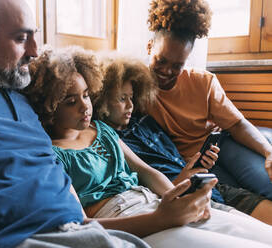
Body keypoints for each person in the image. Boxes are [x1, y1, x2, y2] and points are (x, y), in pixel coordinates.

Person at [0, 0, 151, 247]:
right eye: (21, 39)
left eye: (35, 37)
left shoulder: (24, 101)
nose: (34, 51)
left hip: (81, 231)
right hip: (12, 237)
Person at [25, 46, 272, 248]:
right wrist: (160, 219)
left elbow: (146, 172)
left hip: (156, 202)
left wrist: (179, 198)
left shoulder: (102, 131)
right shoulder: (52, 154)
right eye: (71, 101)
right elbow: (82, 224)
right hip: (129, 221)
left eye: (87, 95)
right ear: (49, 107)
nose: (85, 106)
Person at [93, 54, 272, 225]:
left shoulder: (143, 120)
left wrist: (197, 165)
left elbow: (237, 123)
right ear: (102, 101)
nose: (130, 105)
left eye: (131, 97)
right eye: (122, 99)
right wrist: (182, 178)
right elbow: (149, 189)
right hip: (183, 195)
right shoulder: (109, 140)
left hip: (208, 184)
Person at [145, 0, 272, 201]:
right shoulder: (135, 88)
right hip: (191, 164)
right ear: (149, 47)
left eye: (177, 66)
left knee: (267, 184)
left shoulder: (202, 82)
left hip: (221, 145)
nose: (167, 72)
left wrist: (268, 152)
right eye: (161, 61)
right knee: (240, 200)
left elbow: (237, 124)